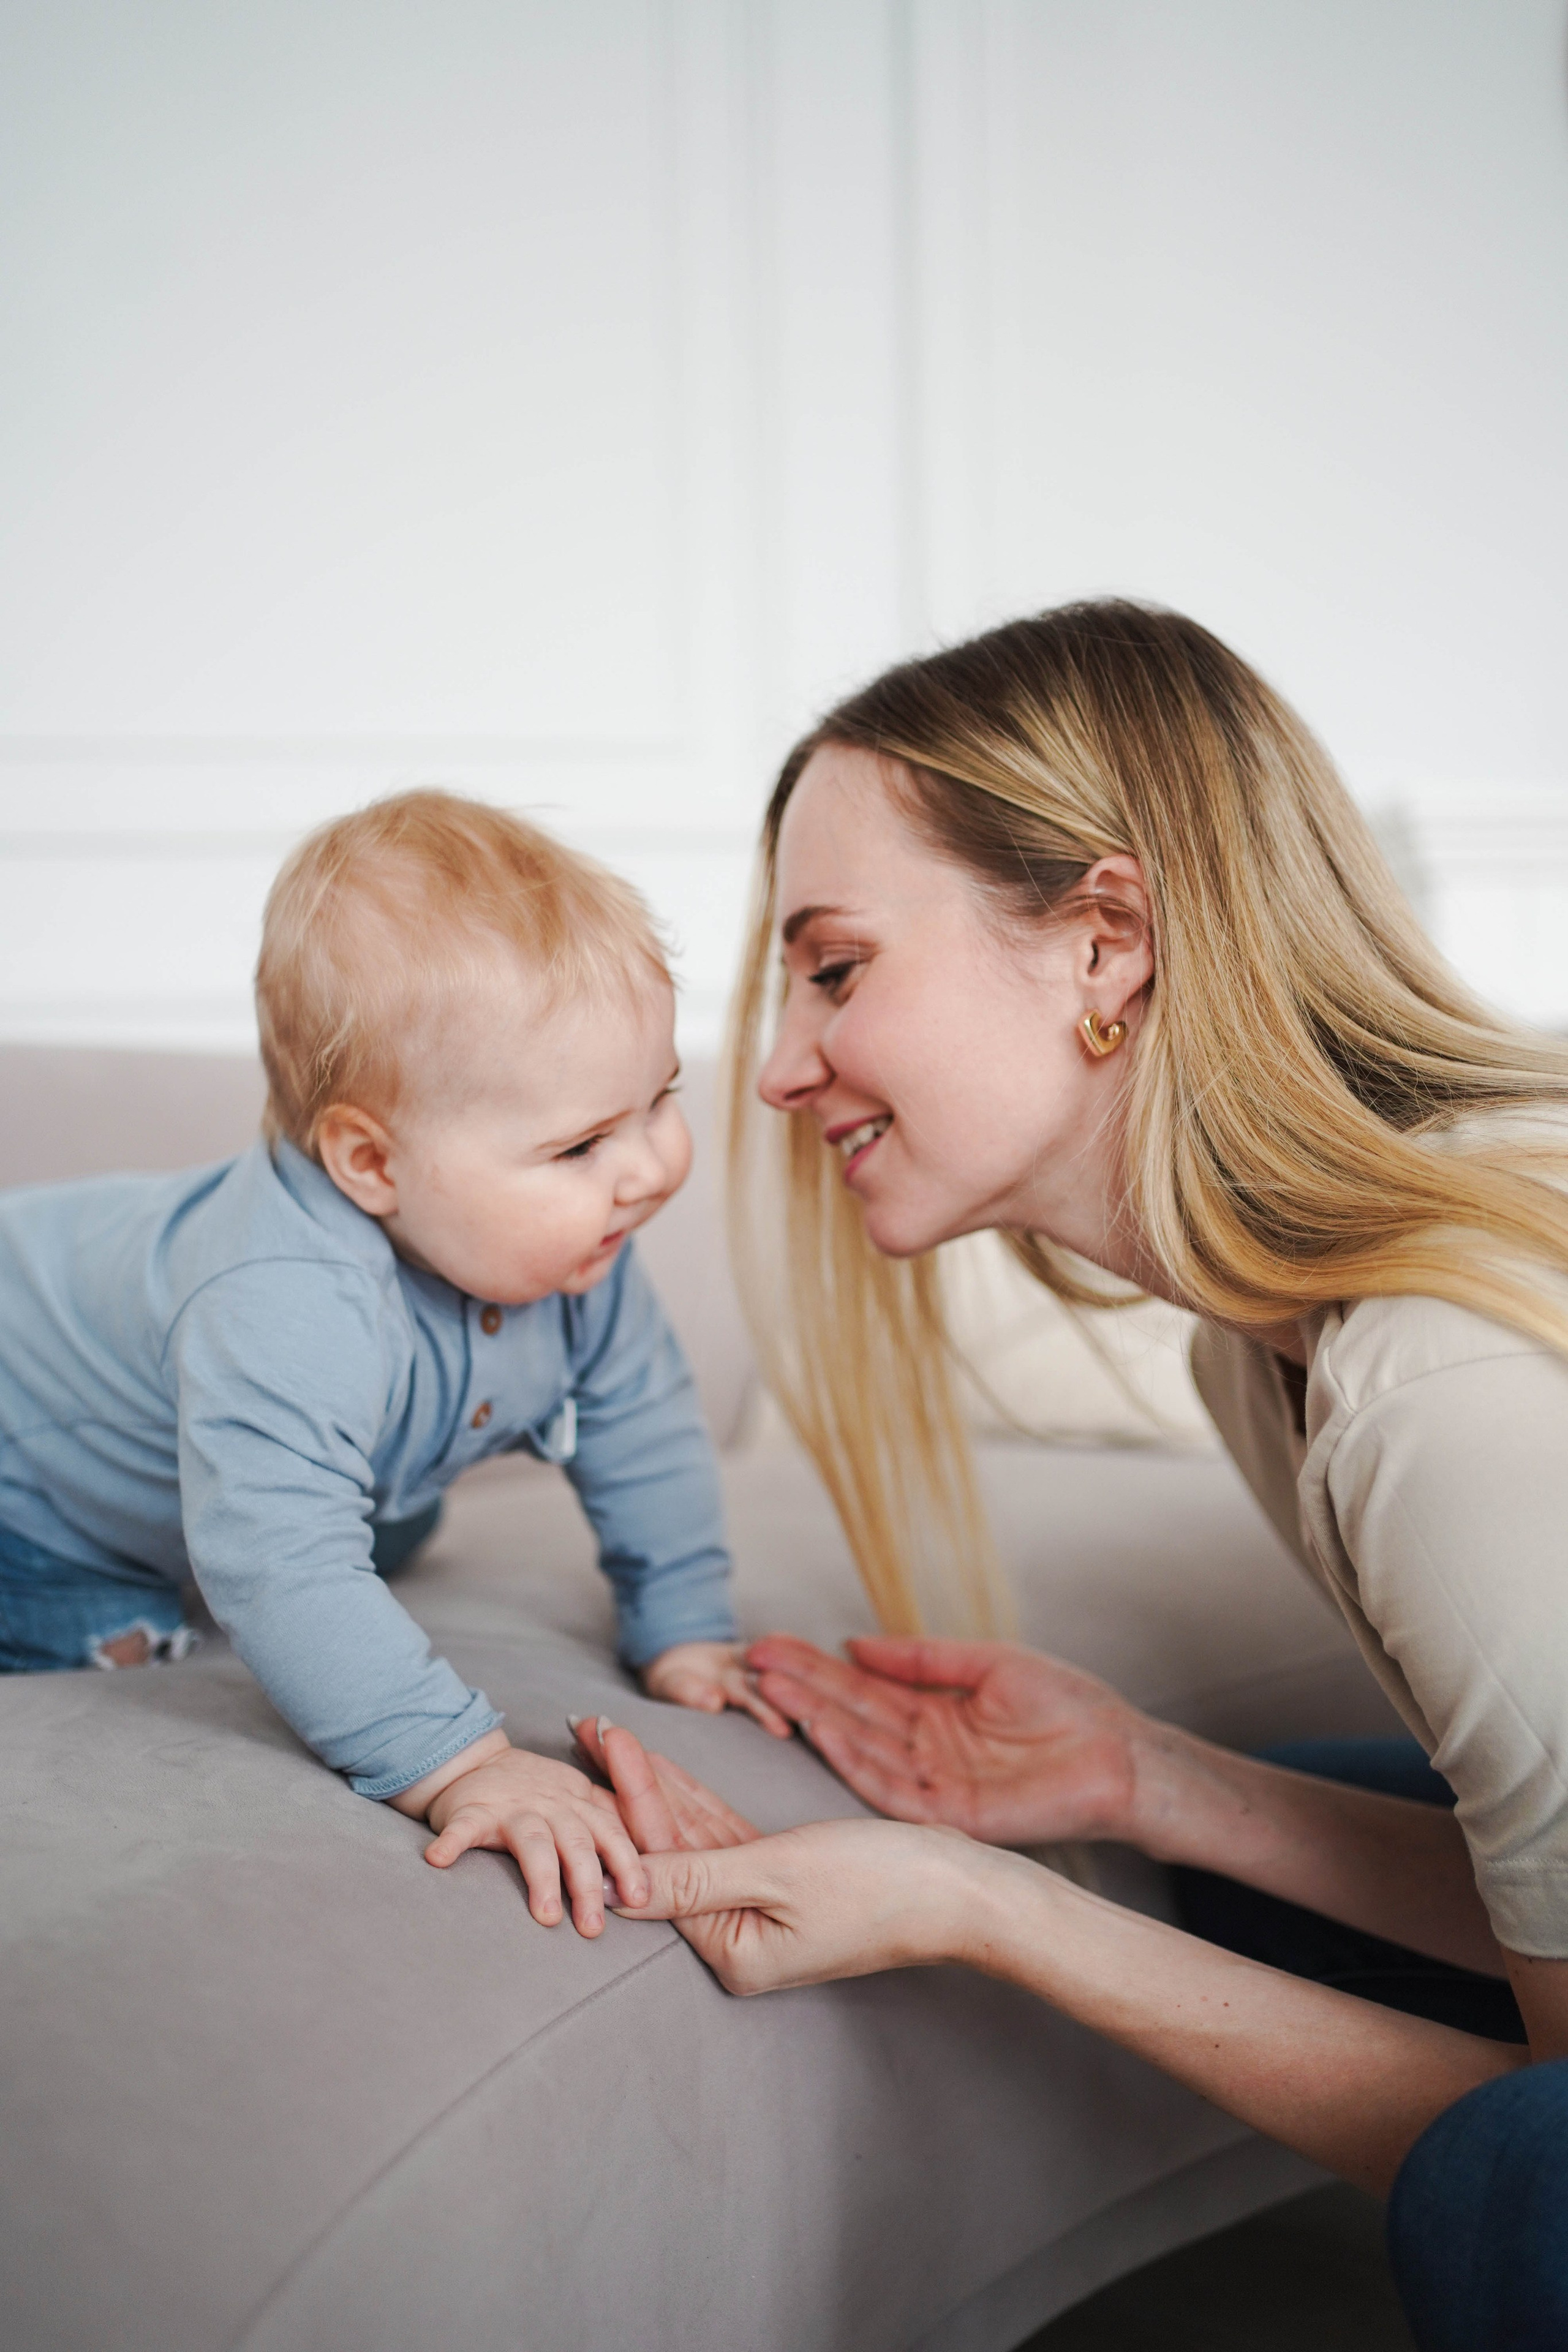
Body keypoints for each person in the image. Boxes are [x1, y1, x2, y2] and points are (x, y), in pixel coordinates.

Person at [579, 604, 1568, 2350]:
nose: (786, 1065)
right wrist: (1139, 1782)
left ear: (1107, 939)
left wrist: (997, 1914)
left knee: (1527, 2192)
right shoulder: (1261, 1357)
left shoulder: (1446, 1388)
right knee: (1252, 1852)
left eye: (836, 967)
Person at [0, 790, 788, 1941]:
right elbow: (280, 1563)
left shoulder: (582, 1252)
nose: (650, 1168)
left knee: (387, 1521)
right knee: (112, 1631)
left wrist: (683, 1623)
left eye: (659, 1099)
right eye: (579, 1145)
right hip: (31, 1470)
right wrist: (461, 1762)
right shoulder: (282, 1295)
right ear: (371, 1161)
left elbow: (643, 1419)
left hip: (280, 1451)